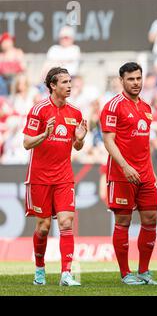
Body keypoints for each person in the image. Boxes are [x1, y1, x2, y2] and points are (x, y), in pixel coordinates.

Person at [23, 67, 87, 286]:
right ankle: (39, 269)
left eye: (70, 82)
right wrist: (44, 134)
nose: (69, 86)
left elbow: (77, 147)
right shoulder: (39, 110)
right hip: (40, 177)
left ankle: (66, 274)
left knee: (66, 222)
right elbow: (26, 143)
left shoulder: (75, 113)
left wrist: (79, 139)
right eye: (64, 82)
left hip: (64, 176)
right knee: (43, 228)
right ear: (52, 85)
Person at [100, 62, 157, 285]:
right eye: (131, 79)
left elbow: (144, 144)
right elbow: (108, 141)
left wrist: (150, 173)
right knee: (123, 221)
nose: (136, 83)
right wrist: (125, 166)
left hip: (145, 174)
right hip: (122, 173)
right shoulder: (113, 106)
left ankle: (144, 271)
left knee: (151, 219)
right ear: (121, 80)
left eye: (138, 78)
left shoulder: (146, 107)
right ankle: (125, 273)